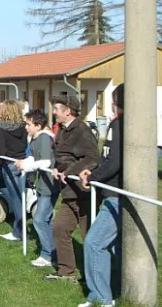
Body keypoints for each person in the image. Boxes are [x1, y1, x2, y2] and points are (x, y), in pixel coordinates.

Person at [77, 84, 124, 307]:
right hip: (112, 193)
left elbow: (114, 162)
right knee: (112, 247)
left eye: (113, 100)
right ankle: (105, 292)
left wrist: (93, 178)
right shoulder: (118, 124)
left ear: (118, 102)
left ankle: (103, 298)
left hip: (117, 196)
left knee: (94, 243)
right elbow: (107, 159)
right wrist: (94, 173)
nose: (111, 105)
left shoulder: (120, 125)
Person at [45, 95, 100, 282]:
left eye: (57, 109)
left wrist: (69, 171)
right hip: (68, 192)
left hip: (84, 193)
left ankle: (98, 277)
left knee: (91, 237)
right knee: (60, 229)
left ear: (67, 111)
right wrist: (55, 167)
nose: (54, 112)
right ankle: (67, 272)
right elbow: (60, 155)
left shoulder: (82, 131)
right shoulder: (61, 130)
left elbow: (93, 158)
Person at [15, 109, 58, 267]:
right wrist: (24, 163)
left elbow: (46, 162)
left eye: (28, 124)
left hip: (50, 185)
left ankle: (49, 255)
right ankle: (53, 250)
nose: (26, 127)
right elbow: (34, 157)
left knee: (39, 220)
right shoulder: (34, 138)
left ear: (38, 125)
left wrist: (28, 166)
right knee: (44, 220)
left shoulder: (45, 138)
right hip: (42, 184)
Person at [0, 100, 28, 241]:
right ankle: (21, 229)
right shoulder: (24, 126)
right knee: (21, 197)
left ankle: (19, 232)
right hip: (22, 162)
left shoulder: (2, 127)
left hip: (9, 164)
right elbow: (25, 145)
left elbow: (2, 150)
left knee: (16, 200)